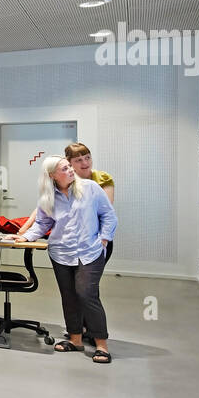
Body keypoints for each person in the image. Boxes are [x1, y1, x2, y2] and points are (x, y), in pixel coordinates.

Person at [15, 156, 117, 364]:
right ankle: (75, 339)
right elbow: (42, 224)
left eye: (70, 166)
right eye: (65, 168)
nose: (71, 170)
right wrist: (24, 236)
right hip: (61, 252)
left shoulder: (90, 188)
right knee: (69, 295)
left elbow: (109, 215)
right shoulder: (47, 197)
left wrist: (104, 240)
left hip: (90, 251)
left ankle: (101, 345)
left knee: (87, 294)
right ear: (52, 175)